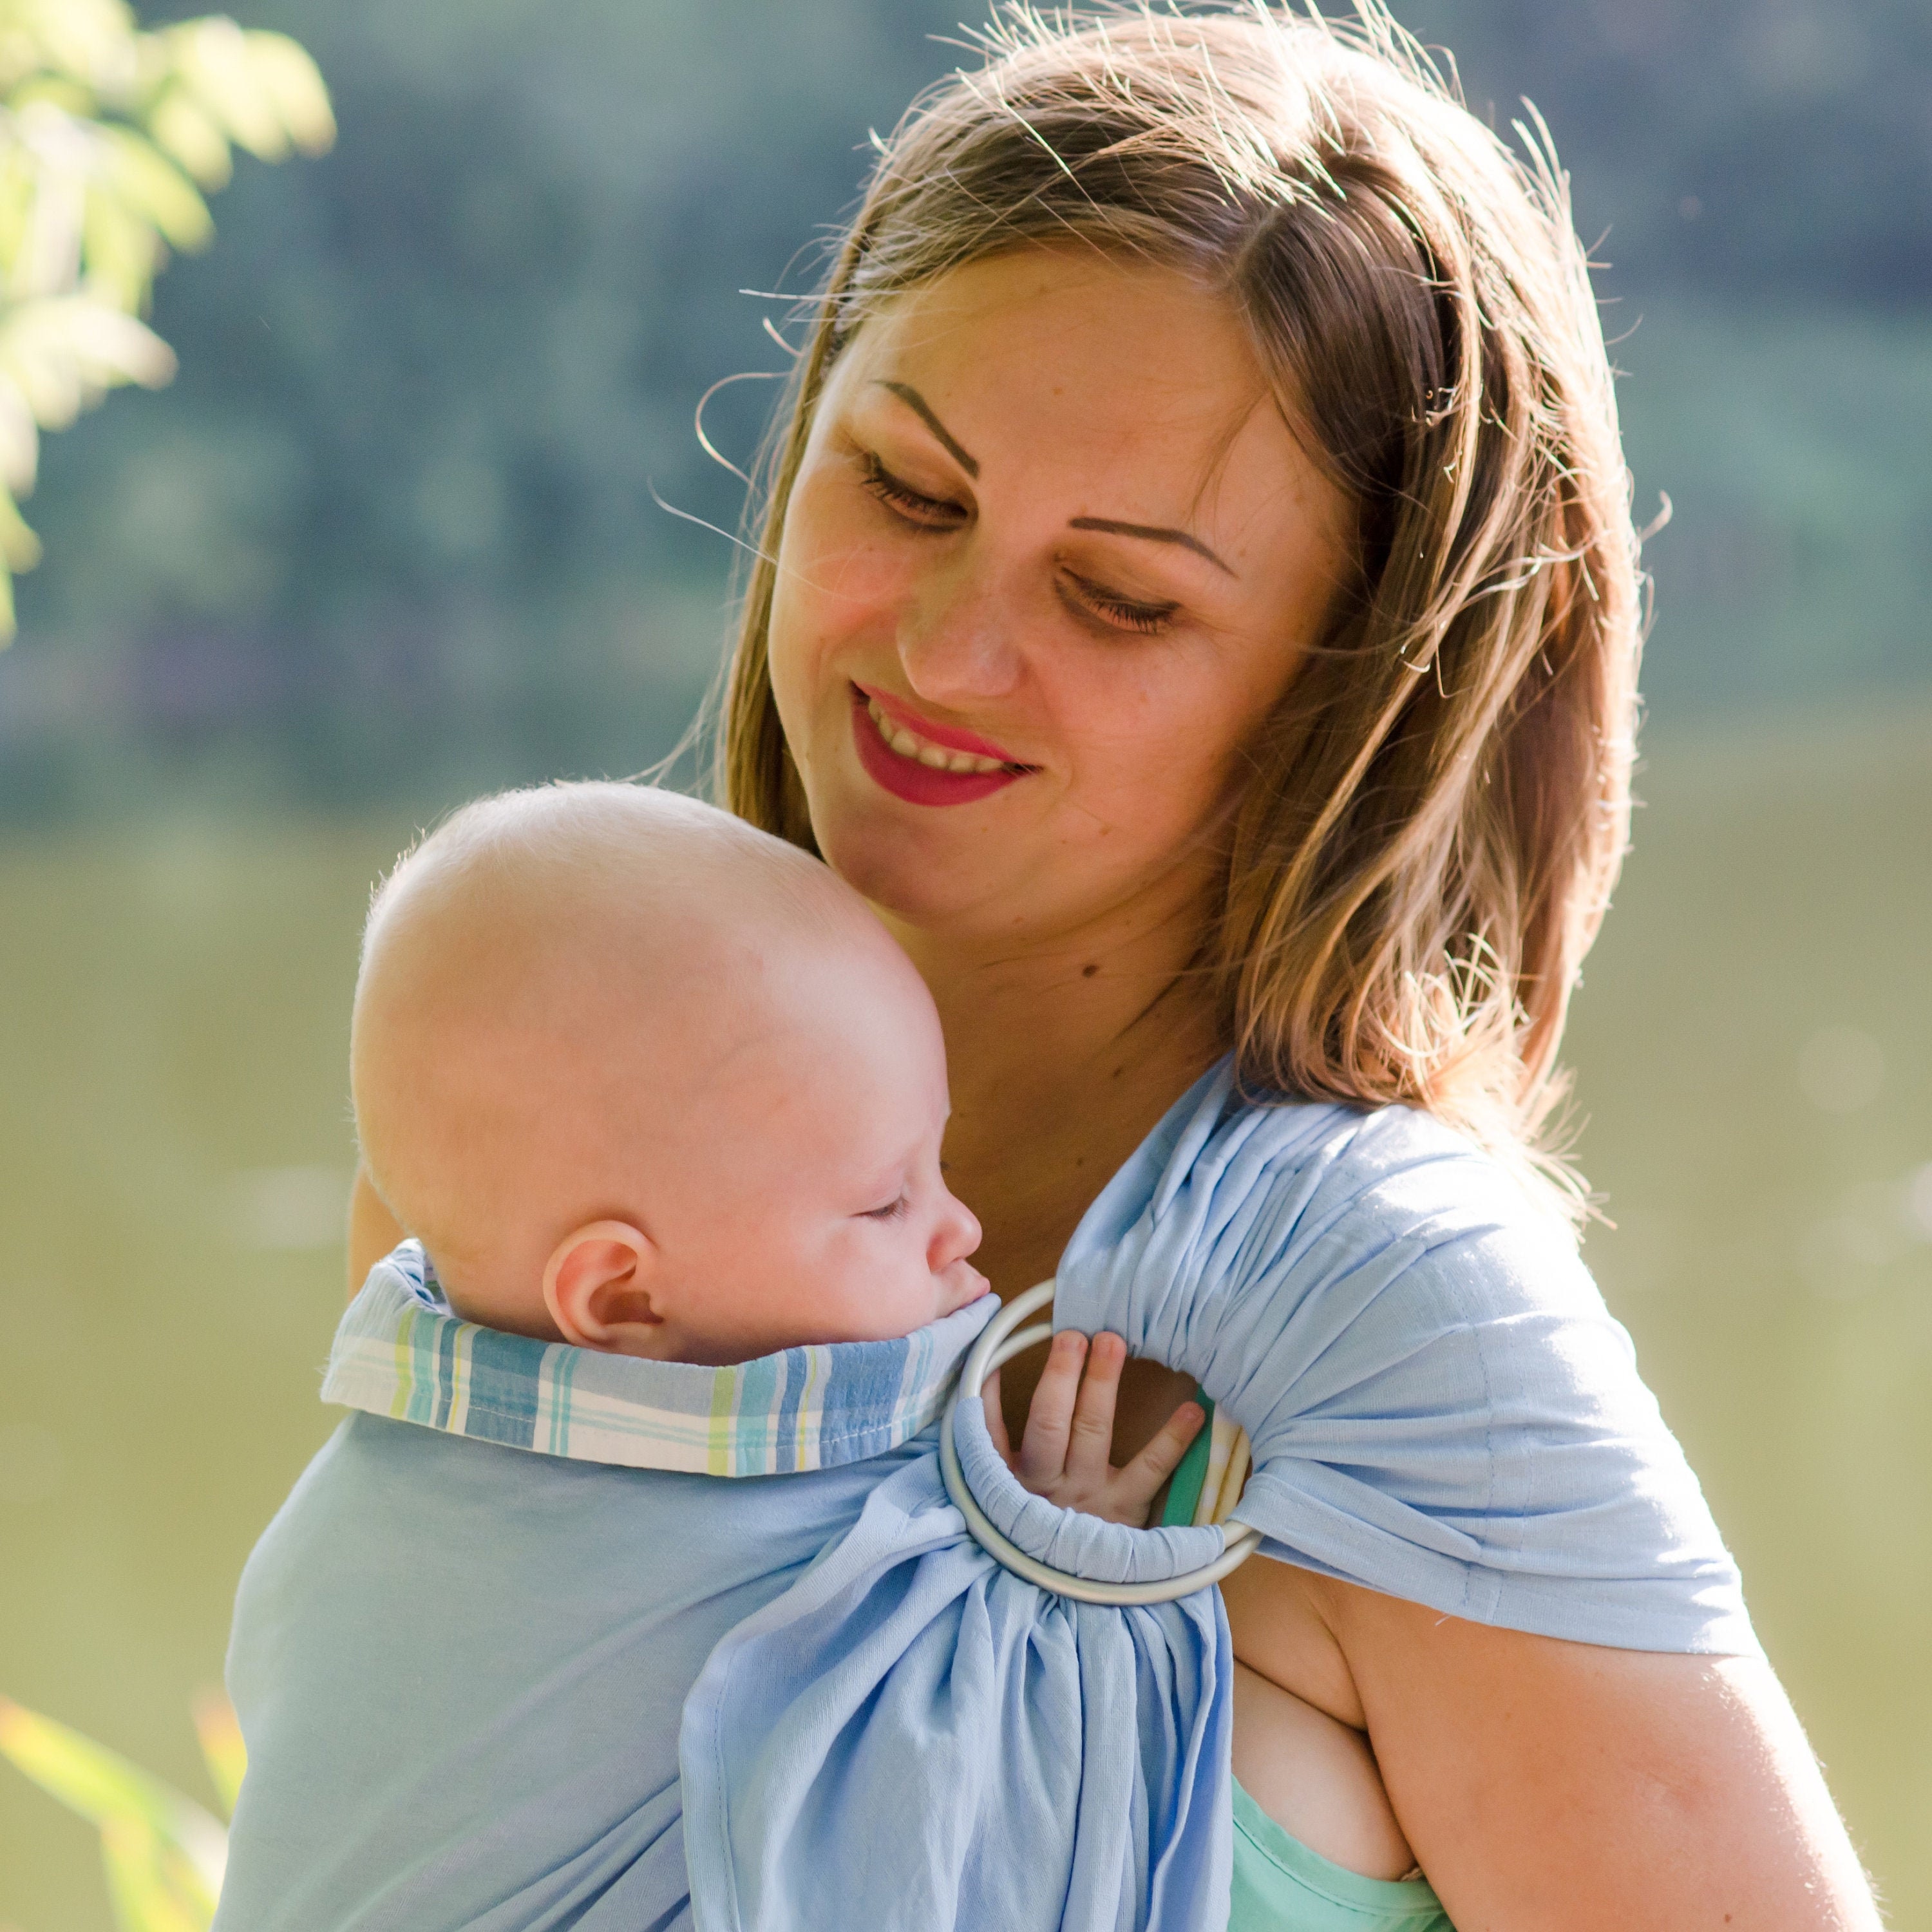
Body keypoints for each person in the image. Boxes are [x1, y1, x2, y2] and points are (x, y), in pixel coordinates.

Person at [351, 7, 1880, 1926]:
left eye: (1122, 597)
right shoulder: (564, 1131)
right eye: (906, 489)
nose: (948, 652)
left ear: (1354, 706)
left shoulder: (1388, 1322)